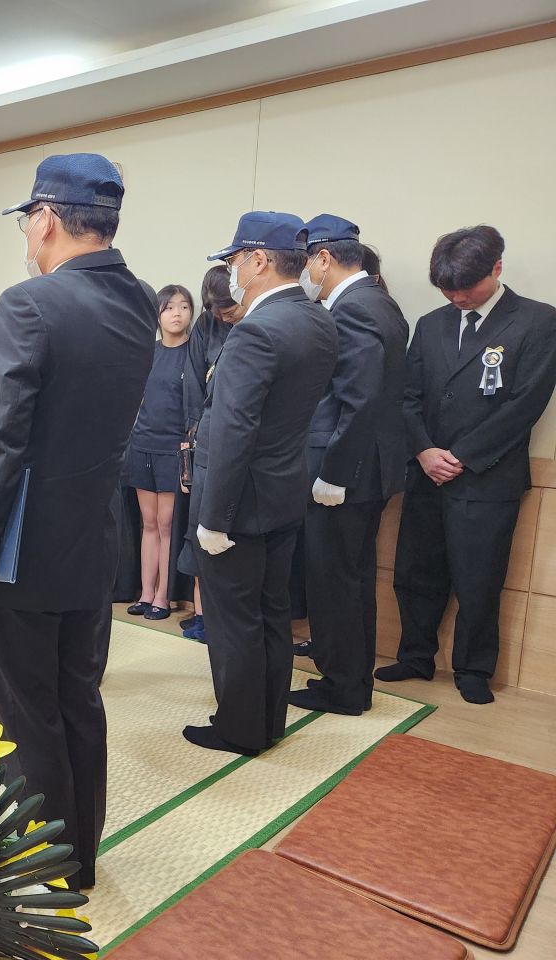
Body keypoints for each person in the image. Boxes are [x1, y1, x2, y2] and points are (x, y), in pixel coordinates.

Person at [0, 154, 157, 887]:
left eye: (26, 221)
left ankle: (41, 863)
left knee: (24, 709)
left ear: (44, 219)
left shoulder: (30, 303)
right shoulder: (140, 300)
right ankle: (79, 857)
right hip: (94, 535)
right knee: (78, 698)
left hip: (21, 543)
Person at [383, 225, 556, 704]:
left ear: (496, 268)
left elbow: (525, 404)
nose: (457, 297)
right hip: (426, 471)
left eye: (466, 287)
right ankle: (415, 656)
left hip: (486, 477)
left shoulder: (537, 321)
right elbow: (407, 396)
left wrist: (462, 456)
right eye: (447, 289)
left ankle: (474, 669)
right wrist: (424, 450)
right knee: (415, 572)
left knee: (479, 579)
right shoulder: (431, 323)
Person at [185, 212, 336, 756]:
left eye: (233, 260)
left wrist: (214, 518)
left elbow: (233, 430)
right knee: (272, 614)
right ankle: (268, 720)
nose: (231, 271)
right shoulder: (317, 320)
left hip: (238, 501)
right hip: (283, 492)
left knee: (234, 622)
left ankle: (239, 728)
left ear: (259, 260)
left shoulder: (257, 330)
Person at [289, 215, 408, 716]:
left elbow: (359, 399)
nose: (304, 275)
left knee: (333, 581)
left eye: (305, 263)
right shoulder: (380, 302)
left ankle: (342, 687)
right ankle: (351, 682)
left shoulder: (354, 308)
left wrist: (334, 474)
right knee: (353, 579)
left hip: (345, 470)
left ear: (323, 258)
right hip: (368, 468)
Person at [176, 266, 243, 641]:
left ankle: (220, 619)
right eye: (217, 310)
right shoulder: (205, 325)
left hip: (234, 438)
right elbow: (193, 377)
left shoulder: (252, 322)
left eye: (228, 308)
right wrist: (192, 430)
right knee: (197, 529)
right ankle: (202, 614)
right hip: (203, 436)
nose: (224, 316)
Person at [126, 285, 192, 621]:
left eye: (183, 306)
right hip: (142, 445)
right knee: (148, 524)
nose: (176, 313)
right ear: (158, 315)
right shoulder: (148, 352)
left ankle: (163, 596)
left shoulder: (193, 354)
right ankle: (146, 593)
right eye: (168, 308)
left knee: (166, 525)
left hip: (173, 449)